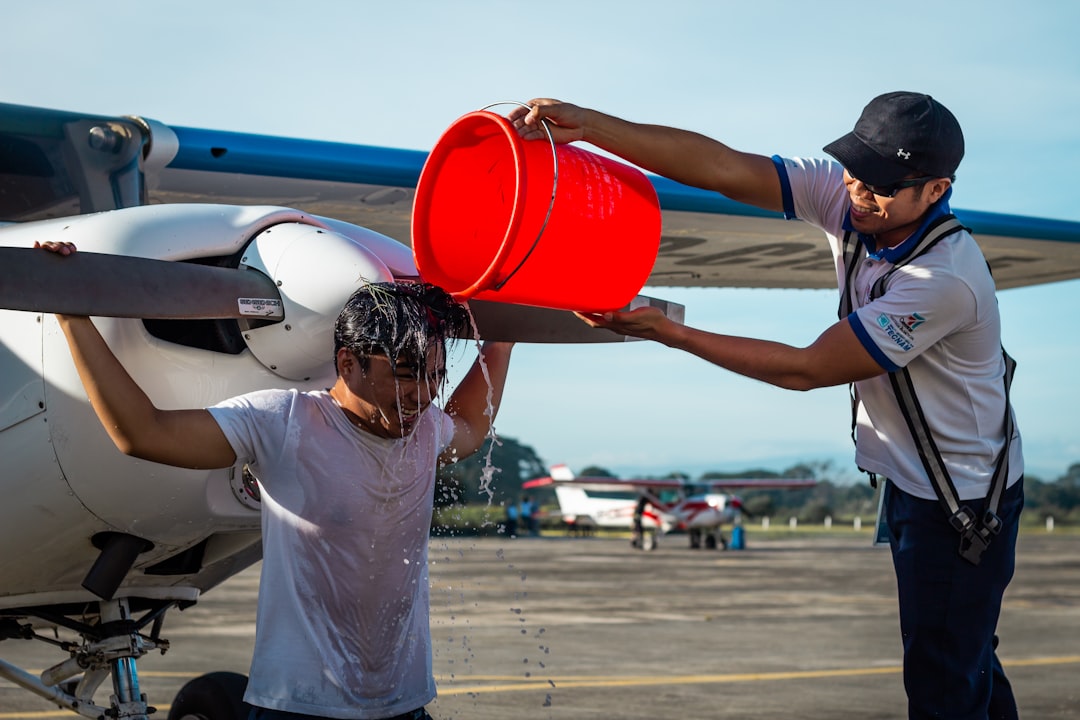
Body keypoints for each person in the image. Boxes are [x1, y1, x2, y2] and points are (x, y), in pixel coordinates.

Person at [511, 93, 1024, 719]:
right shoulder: (853, 197)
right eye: (856, 170)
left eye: (883, 186)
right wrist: (591, 127)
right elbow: (724, 168)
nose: (859, 192)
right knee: (965, 659)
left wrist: (670, 330)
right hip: (917, 482)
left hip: (961, 503)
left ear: (936, 188)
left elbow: (806, 369)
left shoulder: (941, 280)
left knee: (945, 680)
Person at [38, 241, 514, 720]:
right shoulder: (284, 422)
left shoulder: (426, 428)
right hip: (300, 706)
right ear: (348, 364)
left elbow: (472, 422)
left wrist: (507, 336)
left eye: (435, 376)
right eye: (406, 375)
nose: (422, 395)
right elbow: (145, 432)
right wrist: (72, 317)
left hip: (404, 705)